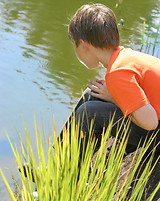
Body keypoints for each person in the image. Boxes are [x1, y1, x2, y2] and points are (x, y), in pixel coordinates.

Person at [58, 3, 160, 159]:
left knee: (89, 113)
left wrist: (114, 98)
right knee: (91, 94)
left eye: (75, 45)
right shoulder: (126, 57)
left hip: (156, 131)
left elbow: (150, 122)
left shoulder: (117, 72)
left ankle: (72, 170)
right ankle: (58, 158)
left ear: (83, 45)